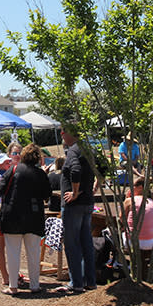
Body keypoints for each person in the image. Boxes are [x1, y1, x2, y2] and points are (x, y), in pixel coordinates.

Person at [0, 143, 49, 295]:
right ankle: (35, 285)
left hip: (12, 216)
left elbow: (0, 189)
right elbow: (47, 194)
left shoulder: (13, 170)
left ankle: (13, 286)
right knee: (33, 252)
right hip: (34, 217)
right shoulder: (40, 174)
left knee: (13, 252)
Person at [56, 125, 96, 294]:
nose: (61, 135)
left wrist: (74, 192)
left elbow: (76, 170)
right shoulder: (89, 149)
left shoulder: (73, 150)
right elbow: (102, 169)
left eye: (63, 132)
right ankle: (90, 281)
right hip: (87, 203)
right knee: (86, 243)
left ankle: (76, 283)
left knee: (72, 244)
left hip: (74, 206)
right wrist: (92, 189)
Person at [0, 145, 21, 287]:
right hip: (3, 208)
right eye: (14, 153)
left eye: (19, 152)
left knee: (16, 244)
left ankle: (15, 274)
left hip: (18, 208)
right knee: (2, 243)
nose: (17, 155)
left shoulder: (20, 169)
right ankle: (5, 276)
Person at [122, 176, 153, 279]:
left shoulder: (129, 201)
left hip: (133, 241)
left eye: (133, 186)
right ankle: (143, 270)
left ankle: (118, 263)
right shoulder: (152, 202)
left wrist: (126, 199)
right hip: (150, 241)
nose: (130, 188)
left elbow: (121, 219)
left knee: (111, 234)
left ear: (140, 187)